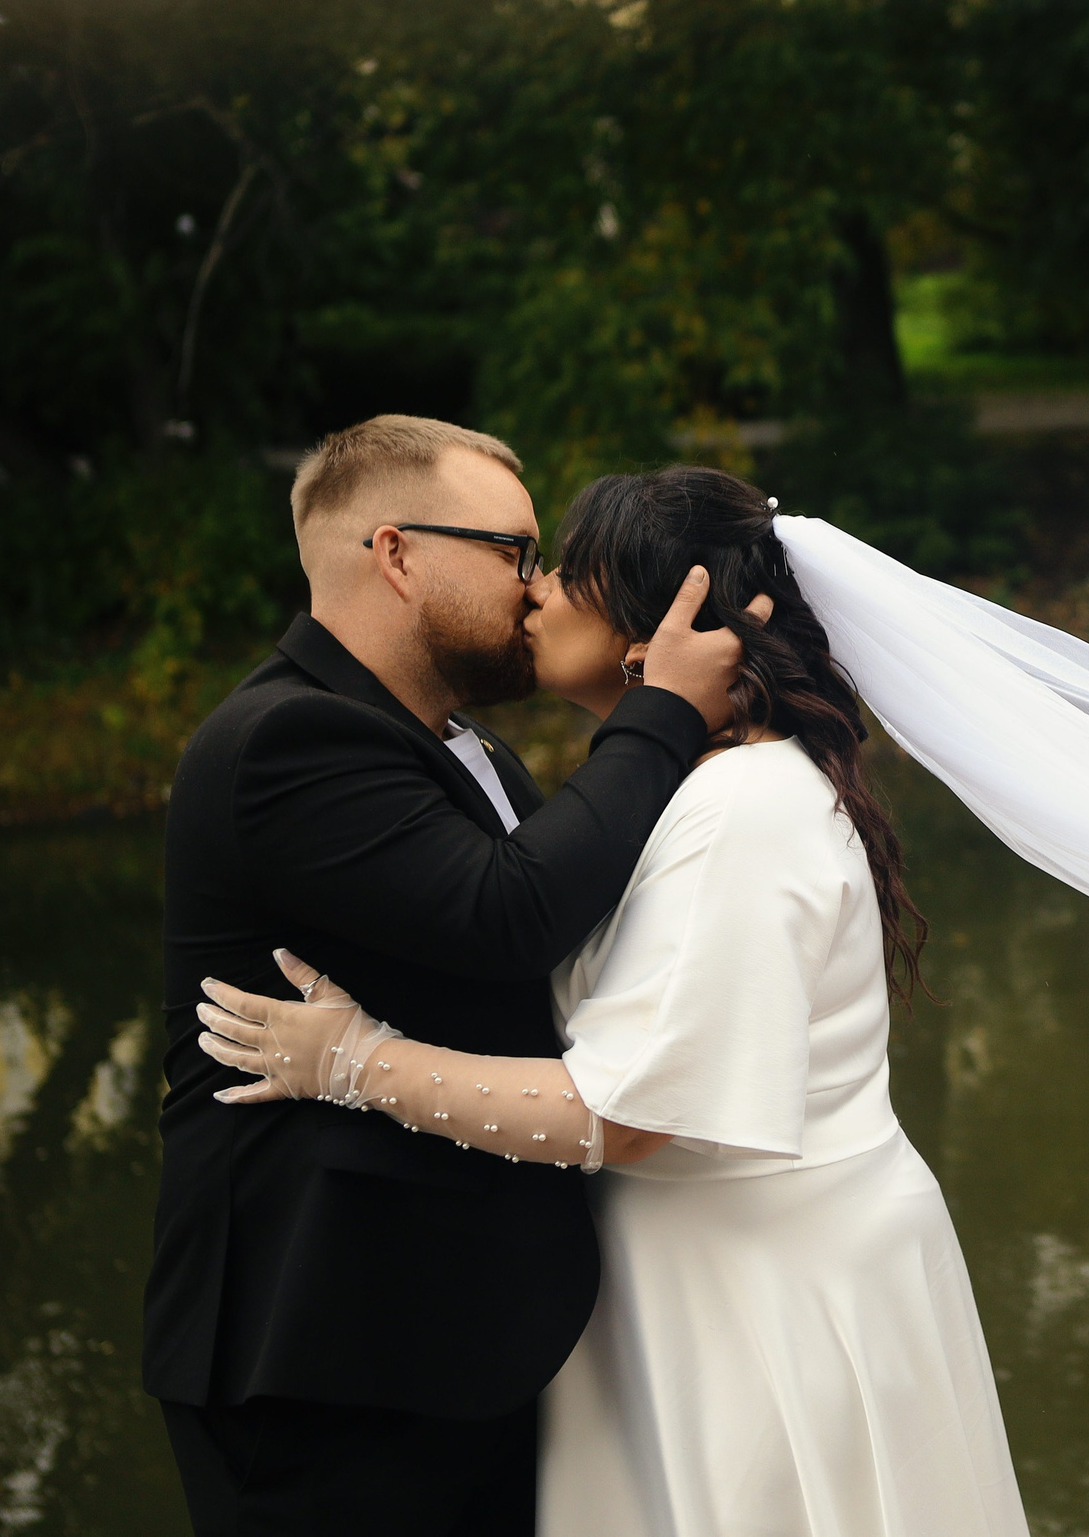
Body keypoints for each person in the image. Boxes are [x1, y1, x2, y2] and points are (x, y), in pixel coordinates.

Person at [196, 465, 1028, 1537]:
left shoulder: (740, 807)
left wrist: (355, 1063)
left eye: (562, 572)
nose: (533, 592)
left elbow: (629, 1115)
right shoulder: (694, 787)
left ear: (652, 628)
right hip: (698, 1280)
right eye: (522, 562)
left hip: (762, 1299)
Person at [145, 417, 758, 1536]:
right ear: (396, 554)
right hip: (324, 1359)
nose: (535, 590)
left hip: (448, 1339)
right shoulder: (287, 740)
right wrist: (664, 712)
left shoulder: (459, 743)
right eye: (515, 552)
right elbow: (509, 913)